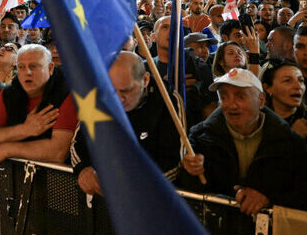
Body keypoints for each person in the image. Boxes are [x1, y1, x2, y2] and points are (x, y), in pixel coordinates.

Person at [181, 68, 307, 214]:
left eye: (240, 96)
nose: (231, 105)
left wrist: (269, 198)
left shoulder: (290, 142)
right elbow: (190, 194)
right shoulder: (200, 137)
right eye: (224, 96)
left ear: (261, 100)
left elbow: (301, 191)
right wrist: (190, 171)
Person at [72, 52, 181, 196]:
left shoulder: (167, 101)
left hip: (152, 197)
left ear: (145, 79)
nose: (118, 99)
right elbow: (78, 143)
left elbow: (175, 161)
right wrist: (83, 169)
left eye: (126, 90)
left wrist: (135, 185)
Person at [0, 44, 77, 164]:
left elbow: (58, 152)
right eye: (21, 67)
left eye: (34, 66)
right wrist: (24, 129)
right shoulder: (9, 93)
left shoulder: (68, 93)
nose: (27, 72)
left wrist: (8, 149)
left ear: (50, 68)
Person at [260, 58, 307, 138]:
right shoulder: (257, 123)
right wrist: (294, 136)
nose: (298, 86)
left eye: (301, 80)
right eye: (287, 81)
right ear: (267, 88)